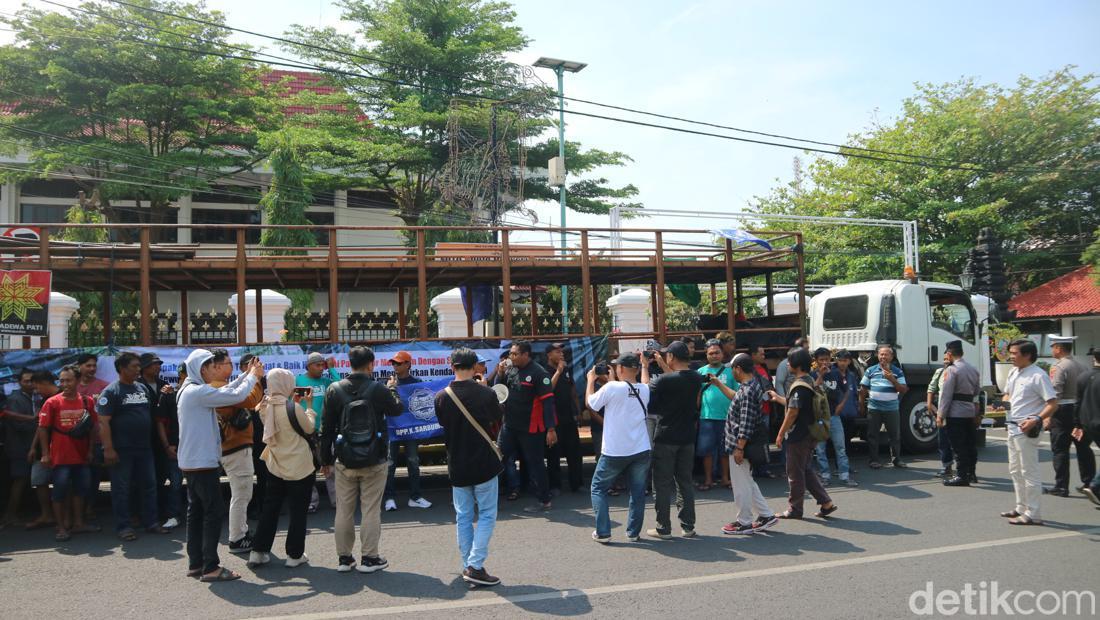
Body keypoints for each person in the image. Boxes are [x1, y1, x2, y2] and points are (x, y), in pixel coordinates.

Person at [177, 348, 264, 582]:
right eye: (211, 366)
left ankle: (196, 564)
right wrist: (254, 376)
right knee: (212, 513)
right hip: (202, 461)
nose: (214, 370)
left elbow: (227, 389)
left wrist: (246, 375)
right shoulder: (197, 392)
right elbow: (234, 396)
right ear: (200, 369)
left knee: (195, 513)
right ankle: (210, 567)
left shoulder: (189, 389)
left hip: (193, 461)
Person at [320, 346, 403, 574]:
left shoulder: (335, 390)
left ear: (349, 363)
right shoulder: (378, 389)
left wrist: (325, 459)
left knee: (344, 511)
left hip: (344, 459)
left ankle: (344, 559)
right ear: (371, 364)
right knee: (370, 510)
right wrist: (393, 389)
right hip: (374, 458)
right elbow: (397, 409)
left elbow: (326, 428)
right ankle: (370, 558)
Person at [434, 348, 504, 586]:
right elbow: (497, 418)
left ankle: (469, 565)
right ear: (475, 367)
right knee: (486, 515)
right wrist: (484, 387)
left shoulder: (441, 397)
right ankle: (474, 566)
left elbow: (444, 423)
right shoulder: (486, 394)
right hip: (484, 462)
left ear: (452, 366)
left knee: (463, 516)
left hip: (457, 463)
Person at [646, 341, 720, 540]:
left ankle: (663, 528)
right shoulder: (696, 377)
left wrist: (646, 366)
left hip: (665, 437)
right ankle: (688, 526)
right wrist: (663, 363)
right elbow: (677, 375)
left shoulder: (663, 380)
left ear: (670, 357)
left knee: (661, 484)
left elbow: (647, 394)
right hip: (687, 437)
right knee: (684, 483)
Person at [248, 368, 317, 569]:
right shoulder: (292, 408)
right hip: (298, 465)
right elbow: (309, 427)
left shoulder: (263, 406)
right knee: (297, 511)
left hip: (275, 463)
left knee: (270, 508)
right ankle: (294, 555)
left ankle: (258, 551)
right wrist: (309, 407)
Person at [97, 352, 165, 541]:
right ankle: (124, 526)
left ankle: (151, 522)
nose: (138, 369)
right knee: (121, 489)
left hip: (144, 448)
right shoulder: (111, 392)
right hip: (122, 450)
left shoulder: (142, 388)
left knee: (150, 486)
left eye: (138, 366)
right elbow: (103, 423)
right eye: (134, 366)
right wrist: (108, 449)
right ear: (121, 369)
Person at [586, 352, 651, 544]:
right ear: (637, 369)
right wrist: (645, 366)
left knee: (598, 488)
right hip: (640, 449)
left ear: (620, 368)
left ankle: (603, 532)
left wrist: (591, 380)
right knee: (637, 492)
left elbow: (591, 403)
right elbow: (642, 383)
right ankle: (633, 532)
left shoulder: (612, 388)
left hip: (615, 450)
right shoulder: (645, 390)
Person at [35, 365, 100, 542]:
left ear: (78, 381)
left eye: (69, 380)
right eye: (62, 380)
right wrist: (45, 454)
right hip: (60, 457)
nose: (64, 384)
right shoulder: (52, 402)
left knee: (80, 491)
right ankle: (61, 527)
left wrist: (90, 451)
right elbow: (42, 429)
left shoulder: (87, 402)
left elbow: (93, 429)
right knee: (59, 492)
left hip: (82, 456)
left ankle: (78, 524)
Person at [771, 348, 838, 520]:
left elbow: (793, 412)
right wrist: (777, 398)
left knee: (794, 473)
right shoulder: (809, 381)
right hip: (810, 433)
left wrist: (780, 434)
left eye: (789, 360)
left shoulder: (799, 386)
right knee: (805, 470)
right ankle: (826, 503)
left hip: (799, 435)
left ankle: (795, 509)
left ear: (798, 365)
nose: (787, 364)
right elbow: (795, 404)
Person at [210, 351, 265, 554]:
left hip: (233, 447)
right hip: (234, 448)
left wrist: (249, 373)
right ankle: (237, 538)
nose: (230, 367)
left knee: (241, 493)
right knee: (242, 494)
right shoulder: (217, 388)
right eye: (227, 363)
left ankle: (240, 533)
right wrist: (256, 377)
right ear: (215, 367)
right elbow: (250, 400)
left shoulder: (218, 387)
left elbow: (237, 389)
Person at [495, 341, 557, 513]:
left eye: (514, 354)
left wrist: (550, 429)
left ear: (526, 355)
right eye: (510, 354)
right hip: (509, 424)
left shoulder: (539, 373)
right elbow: (499, 390)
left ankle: (544, 501)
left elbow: (548, 403)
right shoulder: (510, 369)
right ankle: (488, 499)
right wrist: (500, 373)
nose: (511, 357)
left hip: (531, 428)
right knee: (497, 457)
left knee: (535, 464)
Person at [1001, 339, 1058, 525]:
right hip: (1012, 426)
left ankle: (1034, 513)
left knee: (1029, 471)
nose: (1011, 356)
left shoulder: (1038, 375)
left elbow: (1052, 403)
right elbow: (1007, 393)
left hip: (1027, 429)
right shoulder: (1013, 372)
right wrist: (1004, 402)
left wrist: (1037, 419)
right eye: (1011, 353)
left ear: (1027, 355)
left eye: (1015, 353)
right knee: (1015, 470)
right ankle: (1021, 506)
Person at [721, 353, 779, 535]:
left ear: (738, 369)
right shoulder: (750, 386)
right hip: (745, 443)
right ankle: (766, 515)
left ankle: (744, 522)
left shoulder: (746, 391)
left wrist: (739, 447)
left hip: (741, 445)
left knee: (741, 485)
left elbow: (745, 422)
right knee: (747, 481)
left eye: (732, 369)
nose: (732, 373)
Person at [138, 353, 182, 529]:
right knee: (149, 480)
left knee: (169, 478)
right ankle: (147, 514)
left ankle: (167, 512)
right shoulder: (137, 386)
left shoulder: (164, 385)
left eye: (159, 364)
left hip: (165, 439)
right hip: (146, 439)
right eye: (154, 364)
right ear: (145, 367)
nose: (158, 367)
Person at [1046, 336, 1093, 497]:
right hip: (1079, 409)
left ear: (1059, 348)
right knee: (1083, 447)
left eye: (1053, 347)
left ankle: (1061, 485)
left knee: (1060, 448)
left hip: (1062, 410)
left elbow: (1055, 393)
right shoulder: (1082, 365)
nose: (1052, 350)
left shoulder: (1058, 367)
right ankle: (1089, 482)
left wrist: (1048, 415)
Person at [383, 350, 431, 511]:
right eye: (393, 363)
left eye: (398, 362)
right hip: (393, 429)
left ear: (408, 364)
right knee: (390, 463)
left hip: (411, 430)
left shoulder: (417, 382)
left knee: (413, 462)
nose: (395, 365)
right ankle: (389, 498)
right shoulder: (388, 382)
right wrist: (390, 388)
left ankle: (415, 497)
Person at [297, 352, 340, 513]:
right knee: (308, 469)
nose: (321, 368)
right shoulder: (299, 381)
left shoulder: (326, 381)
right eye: (318, 365)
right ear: (309, 366)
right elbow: (292, 403)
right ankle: (311, 501)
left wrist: (332, 369)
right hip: (305, 431)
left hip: (325, 431)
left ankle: (337, 501)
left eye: (323, 365)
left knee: (330, 467)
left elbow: (341, 385)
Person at [937, 340, 981, 487]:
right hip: (969, 411)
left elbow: (946, 394)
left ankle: (962, 475)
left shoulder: (951, 370)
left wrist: (940, 414)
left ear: (949, 354)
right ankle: (971, 473)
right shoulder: (973, 369)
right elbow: (976, 392)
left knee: (958, 446)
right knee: (970, 444)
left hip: (955, 412)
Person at [2, 368, 41, 528]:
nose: (30, 383)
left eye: (32, 380)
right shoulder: (15, 399)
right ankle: (9, 515)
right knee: (20, 480)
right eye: (26, 381)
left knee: (26, 480)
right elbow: (18, 425)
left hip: (29, 446)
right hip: (19, 447)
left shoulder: (33, 397)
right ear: (19, 382)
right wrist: (37, 422)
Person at [860, 344, 909, 469]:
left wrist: (892, 379)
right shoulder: (870, 370)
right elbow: (863, 389)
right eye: (881, 354)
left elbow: (903, 389)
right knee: (872, 435)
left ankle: (896, 460)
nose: (883, 357)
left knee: (895, 435)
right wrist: (861, 406)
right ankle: (874, 460)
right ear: (877, 355)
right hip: (874, 408)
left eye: (886, 354)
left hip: (891, 409)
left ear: (891, 357)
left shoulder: (898, 371)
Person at [697, 341, 737, 491]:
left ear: (722, 354)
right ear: (706, 355)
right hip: (706, 417)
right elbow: (697, 394)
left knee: (725, 451)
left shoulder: (730, 372)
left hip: (727, 417)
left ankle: (725, 479)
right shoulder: (700, 372)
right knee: (707, 451)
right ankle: (708, 479)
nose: (714, 355)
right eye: (711, 353)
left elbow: (736, 393)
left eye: (717, 352)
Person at [813, 348, 856, 486]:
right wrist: (821, 375)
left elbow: (846, 391)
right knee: (820, 450)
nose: (825, 362)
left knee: (841, 448)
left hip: (834, 416)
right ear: (816, 361)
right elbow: (812, 390)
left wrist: (840, 406)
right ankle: (825, 476)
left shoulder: (837, 374)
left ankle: (845, 476)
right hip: (819, 418)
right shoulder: (812, 375)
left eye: (827, 359)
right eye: (821, 360)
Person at [545, 342, 584, 494]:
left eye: (562, 351)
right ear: (549, 355)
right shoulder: (544, 371)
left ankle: (577, 484)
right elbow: (548, 390)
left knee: (574, 451)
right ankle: (555, 486)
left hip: (568, 416)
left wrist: (578, 410)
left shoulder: (567, 370)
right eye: (557, 352)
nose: (561, 354)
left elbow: (572, 390)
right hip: (553, 418)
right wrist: (558, 371)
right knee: (553, 453)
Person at [25, 371, 60, 531]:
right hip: (41, 451)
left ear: (45, 382)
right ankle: (47, 515)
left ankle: (63, 518)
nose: (36, 391)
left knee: (63, 483)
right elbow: (41, 427)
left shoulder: (61, 398)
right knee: (39, 481)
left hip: (59, 449)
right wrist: (33, 447)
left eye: (37, 387)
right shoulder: (45, 400)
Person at [1072, 347, 1100, 506]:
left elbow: (1078, 402)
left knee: (1084, 451)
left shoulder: (1083, 377)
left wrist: (1077, 424)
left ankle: (1088, 481)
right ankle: (1095, 485)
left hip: (1086, 423)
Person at [927, 353, 954, 478]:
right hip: (942, 410)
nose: (946, 361)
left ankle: (964, 469)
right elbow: (931, 388)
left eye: (948, 359)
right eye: (944, 359)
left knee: (958, 441)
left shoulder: (959, 372)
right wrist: (929, 404)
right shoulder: (940, 372)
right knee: (943, 440)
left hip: (957, 410)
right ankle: (947, 466)